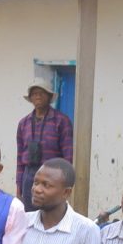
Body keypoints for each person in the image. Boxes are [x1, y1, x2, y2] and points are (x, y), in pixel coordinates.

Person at [16, 78, 73, 211]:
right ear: (30, 98)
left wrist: (64, 182)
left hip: (52, 174)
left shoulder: (61, 121)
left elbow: (68, 155)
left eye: (41, 93)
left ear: (49, 97)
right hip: (29, 175)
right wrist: (19, 185)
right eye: (34, 94)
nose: (38, 96)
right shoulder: (23, 123)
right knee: (29, 215)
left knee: (50, 212)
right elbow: (19, 157)